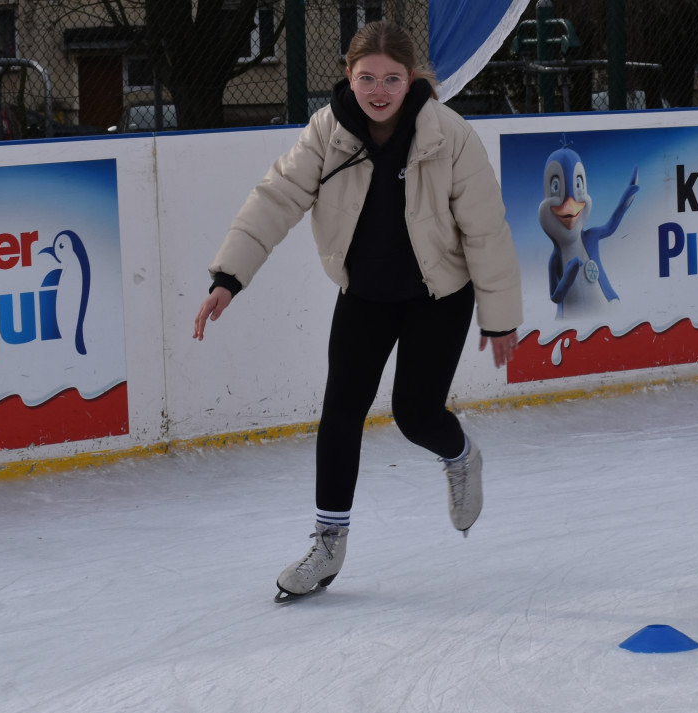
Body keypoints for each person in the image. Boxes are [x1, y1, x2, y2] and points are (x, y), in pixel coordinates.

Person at [193, 20, 523, 601]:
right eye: (366, 77)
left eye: (391, 79)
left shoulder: (449, 135)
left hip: (438, 296)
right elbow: (277, 197)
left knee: (415, 414)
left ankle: (462, 456)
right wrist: (229, 276)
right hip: (366, 295)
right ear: (348, 77)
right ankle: (328, 544)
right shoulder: (328, 132)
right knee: (340, 412)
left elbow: (486, 230)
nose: (378, 90)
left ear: (411, 79)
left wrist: (500, 318)